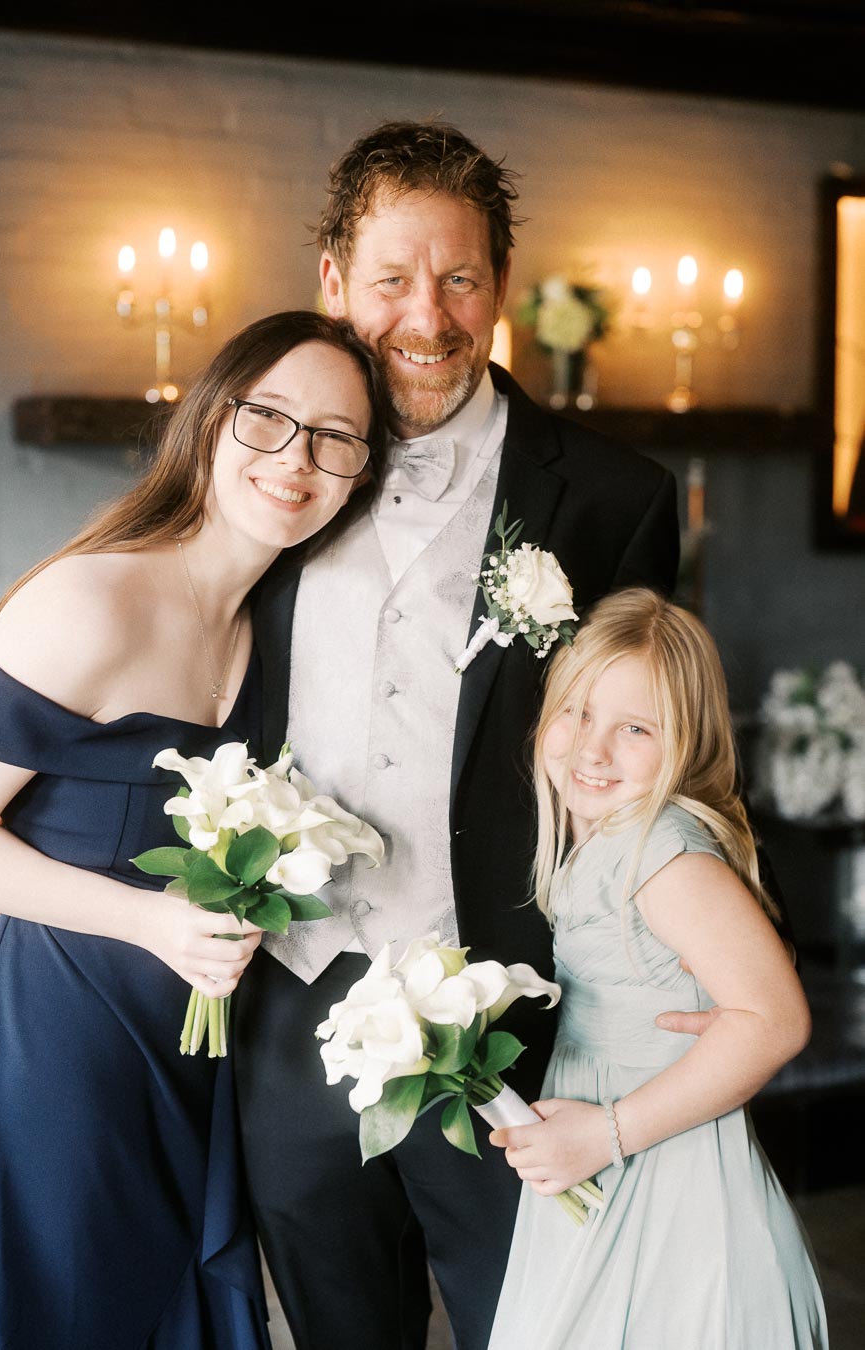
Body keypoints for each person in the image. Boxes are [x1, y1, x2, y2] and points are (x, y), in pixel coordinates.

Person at [233, 120, 682, 1350]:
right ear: (332, 282)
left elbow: (659, 753)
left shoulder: (610, 496)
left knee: (533, 1328)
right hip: (292, 1009)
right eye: (390, 279)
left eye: (461, 278)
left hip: (518, 1020)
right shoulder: (260, 470)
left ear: (503, 286)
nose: (426, 317)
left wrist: (717, 947)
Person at [0, 310, 388, 1350]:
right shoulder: (91, 604)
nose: (299, 460)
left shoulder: (275, 624)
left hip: (191, 1048)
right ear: (209, 422)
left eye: (337, 437)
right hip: (56, 1038)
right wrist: (153, 924)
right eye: (271, 419)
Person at [486, 586, 828, 1349]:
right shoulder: (606, 845)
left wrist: (606, 1134)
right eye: (575, 712)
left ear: (690, 741)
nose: (591, 747)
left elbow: (775, 1019)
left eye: (635, 727)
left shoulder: (658, 852)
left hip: (660, 1171)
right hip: (614, 1158)